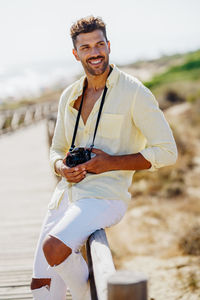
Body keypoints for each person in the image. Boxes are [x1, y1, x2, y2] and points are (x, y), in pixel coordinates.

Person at [30, 16, 178, 300]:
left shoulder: (135, 92)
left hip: (104, 197)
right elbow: (56, 149)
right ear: (76, 54)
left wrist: (109, 162)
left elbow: (168, 152)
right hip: (64, 197)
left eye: (99, 44)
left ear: (109, 46)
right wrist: (61, 167)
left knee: (53, 249)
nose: (94, 52)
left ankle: (86, 294)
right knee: (41, 288)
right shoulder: (69, 95)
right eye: (85, 47)